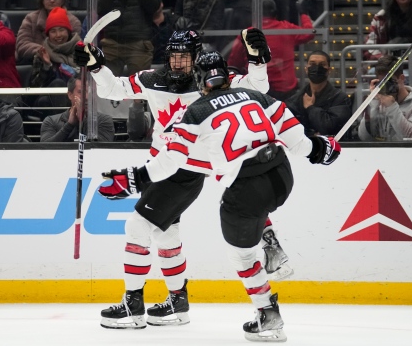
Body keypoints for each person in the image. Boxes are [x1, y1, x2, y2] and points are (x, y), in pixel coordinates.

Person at [95, 51, 341, 342]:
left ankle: (268, 314)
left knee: (241, 254)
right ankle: (269, 239)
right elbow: (298, 143)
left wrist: (132, 179)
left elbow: (170, 162)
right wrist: (321, 149)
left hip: (244, 188)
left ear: (200, 80)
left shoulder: (196, 112)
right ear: (228, 74)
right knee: (179, 229)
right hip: (281, 176)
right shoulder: (258, 98)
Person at [74, 29, 294, 329]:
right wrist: (97, 66)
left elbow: (257, 86)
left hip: (184, 166)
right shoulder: (152, 79)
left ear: (196, 57)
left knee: (137, 226)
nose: (178, 63)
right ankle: (177, 303)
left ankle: (133, 305)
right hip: (163, 162)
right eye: (174, 56)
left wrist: (257, 61)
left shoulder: (210, 80)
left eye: (185, 57)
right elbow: (113, 90)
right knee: (165, 233)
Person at [227, 0, 315, 101]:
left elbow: (233, 64)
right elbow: (309, 33)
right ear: (276, 13)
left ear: (255, 14)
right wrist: (303, 13)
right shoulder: (285, 28)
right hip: (285, 91)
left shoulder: (247, 34)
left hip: (256, 91)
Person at [29, 6, 81, 118]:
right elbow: (35, 87)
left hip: (76, 96)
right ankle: (61, 127)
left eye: (61, 30)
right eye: (53, 31)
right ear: (48, 34)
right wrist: (47, 66)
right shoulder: (42, 53)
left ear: (68, 31)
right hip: (48, 101)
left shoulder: (81, 51)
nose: (58, 35)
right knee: (58, 83)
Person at [285, 50, 352, 137]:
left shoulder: (340, 98)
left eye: (322, 64)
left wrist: (310, 108)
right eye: (312, 64)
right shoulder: (295, 100)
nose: (317, 68)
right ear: (306, 69)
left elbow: (330, 127)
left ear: (329, 70)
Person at [358, 55, 412, 141]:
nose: (386, 87)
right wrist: (373, 105)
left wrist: (392, 107)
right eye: (382, 83)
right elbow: (364, 137)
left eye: (390, 81)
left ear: (401, 78)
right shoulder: (379, 102)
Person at [96, 0, 161, 76]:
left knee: (139, 84)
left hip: (138, 42)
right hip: (112, 42)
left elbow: (154, 6)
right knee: (106, 83)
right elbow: (100, 9)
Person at [40, 74, 115, 142]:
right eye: (81, 92)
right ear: (70, 95)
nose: (86, 97)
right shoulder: (51, 121)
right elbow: (45, 148)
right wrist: (69, 124)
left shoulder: (105, 120)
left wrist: (83, 120)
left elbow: (102, 149)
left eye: (90, 92)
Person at [15, 0, 82, 64]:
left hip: (65, 66)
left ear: (62, 0)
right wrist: (42, 52)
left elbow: (74, 48)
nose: (52, 0)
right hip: (34, 65)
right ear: (42, 0)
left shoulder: (73, 22)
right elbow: (22, 45)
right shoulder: (30, 19)